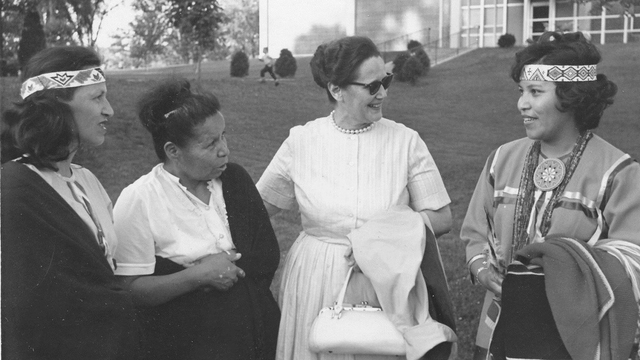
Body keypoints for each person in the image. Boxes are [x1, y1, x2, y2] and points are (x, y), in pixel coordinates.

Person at [257, 36, 457, 360]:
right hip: (314, 277)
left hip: (384, 279)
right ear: (337, 90)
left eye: (386, 80)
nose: (384, 93)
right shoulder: (302, 140)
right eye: (372, 85)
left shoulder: (406, 141)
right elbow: (258, 209)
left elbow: (442, 216)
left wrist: (383, 235)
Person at [461, 31, 640, 360]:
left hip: (574, 338)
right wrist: (484, 271)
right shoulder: (501, 161)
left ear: (571, 97)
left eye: (535, 92)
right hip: (500, 326)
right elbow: (475, 233)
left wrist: (562, 274)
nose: (522, 103)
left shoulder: (618, 172)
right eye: (521, 91)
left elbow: (633, 259)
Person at [112, 78, 281, 360]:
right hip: (185, 344)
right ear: (173, 151)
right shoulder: (140, 199)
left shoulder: (235, 179)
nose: (224, 149)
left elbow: (265, 256)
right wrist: (197, 275)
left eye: (224, 136)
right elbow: (129, 290)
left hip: (255, 335)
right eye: (210, 143)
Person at [0, 46, 138, 359]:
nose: (109, 110)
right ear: (58, 105)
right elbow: (24, 308)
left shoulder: (87, 180)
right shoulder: (14, 189)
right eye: (97, 97)